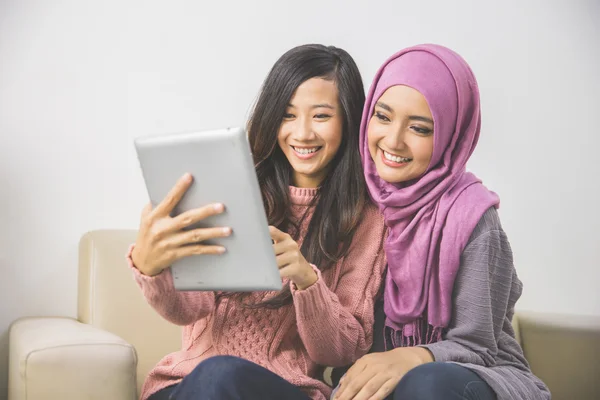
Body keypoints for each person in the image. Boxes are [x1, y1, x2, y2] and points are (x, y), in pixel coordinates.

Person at [127, 44, 387, 400]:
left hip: (283, 391)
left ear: (348, 118)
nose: (303, 133)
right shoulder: (228, 185)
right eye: (288, 114)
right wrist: (152, 267)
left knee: (222, 374)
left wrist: (307, 280)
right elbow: (188, 309)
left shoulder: (366, 219)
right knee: (216, 374)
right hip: (189, 386)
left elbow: (342, 351)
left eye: (322, 116)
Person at [332, 44, 551, 400]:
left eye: (419, 128)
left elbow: (478, 347)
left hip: (472, 377)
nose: (393, 140)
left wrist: (413, 356)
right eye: (383, 117)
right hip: (378, 386)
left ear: (451, 134)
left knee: (427, 383)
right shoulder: (356, 205)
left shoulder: (473, 216)